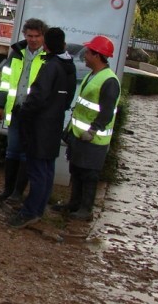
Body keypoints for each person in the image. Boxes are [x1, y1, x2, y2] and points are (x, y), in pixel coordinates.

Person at [9, 27, 76, 228]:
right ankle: (37, 208)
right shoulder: (69, 66)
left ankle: (30, 212)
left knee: (37, 170)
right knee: (46, 170)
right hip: (54, 124)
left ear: (46, 45)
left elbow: (37, 96)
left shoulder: (51, 67)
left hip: (39, 126)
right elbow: (67, 98)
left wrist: (24, 113)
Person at [52, 35, 121, 221]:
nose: (85, 56)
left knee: (89, 175)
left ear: (97, 56)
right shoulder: (94, 75)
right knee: (76, 170)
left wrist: (92, 130)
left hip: (93, 139)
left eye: (89, 53)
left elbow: (107, 112)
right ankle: (74, 204)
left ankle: (85, 209)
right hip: (80, 135)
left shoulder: (109, 81)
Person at [0, 18, 48, 203]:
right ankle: (7, 190)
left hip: (33, 115)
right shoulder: (16, 54)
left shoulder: (48, 57)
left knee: (26, 153)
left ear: (43, 36)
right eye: (29, 36)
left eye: (37, 36)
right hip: (15, 111)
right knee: (12, 151)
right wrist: (0, 105)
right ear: (25, 35)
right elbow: (5, 81)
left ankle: (18, 192)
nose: (33, 40)